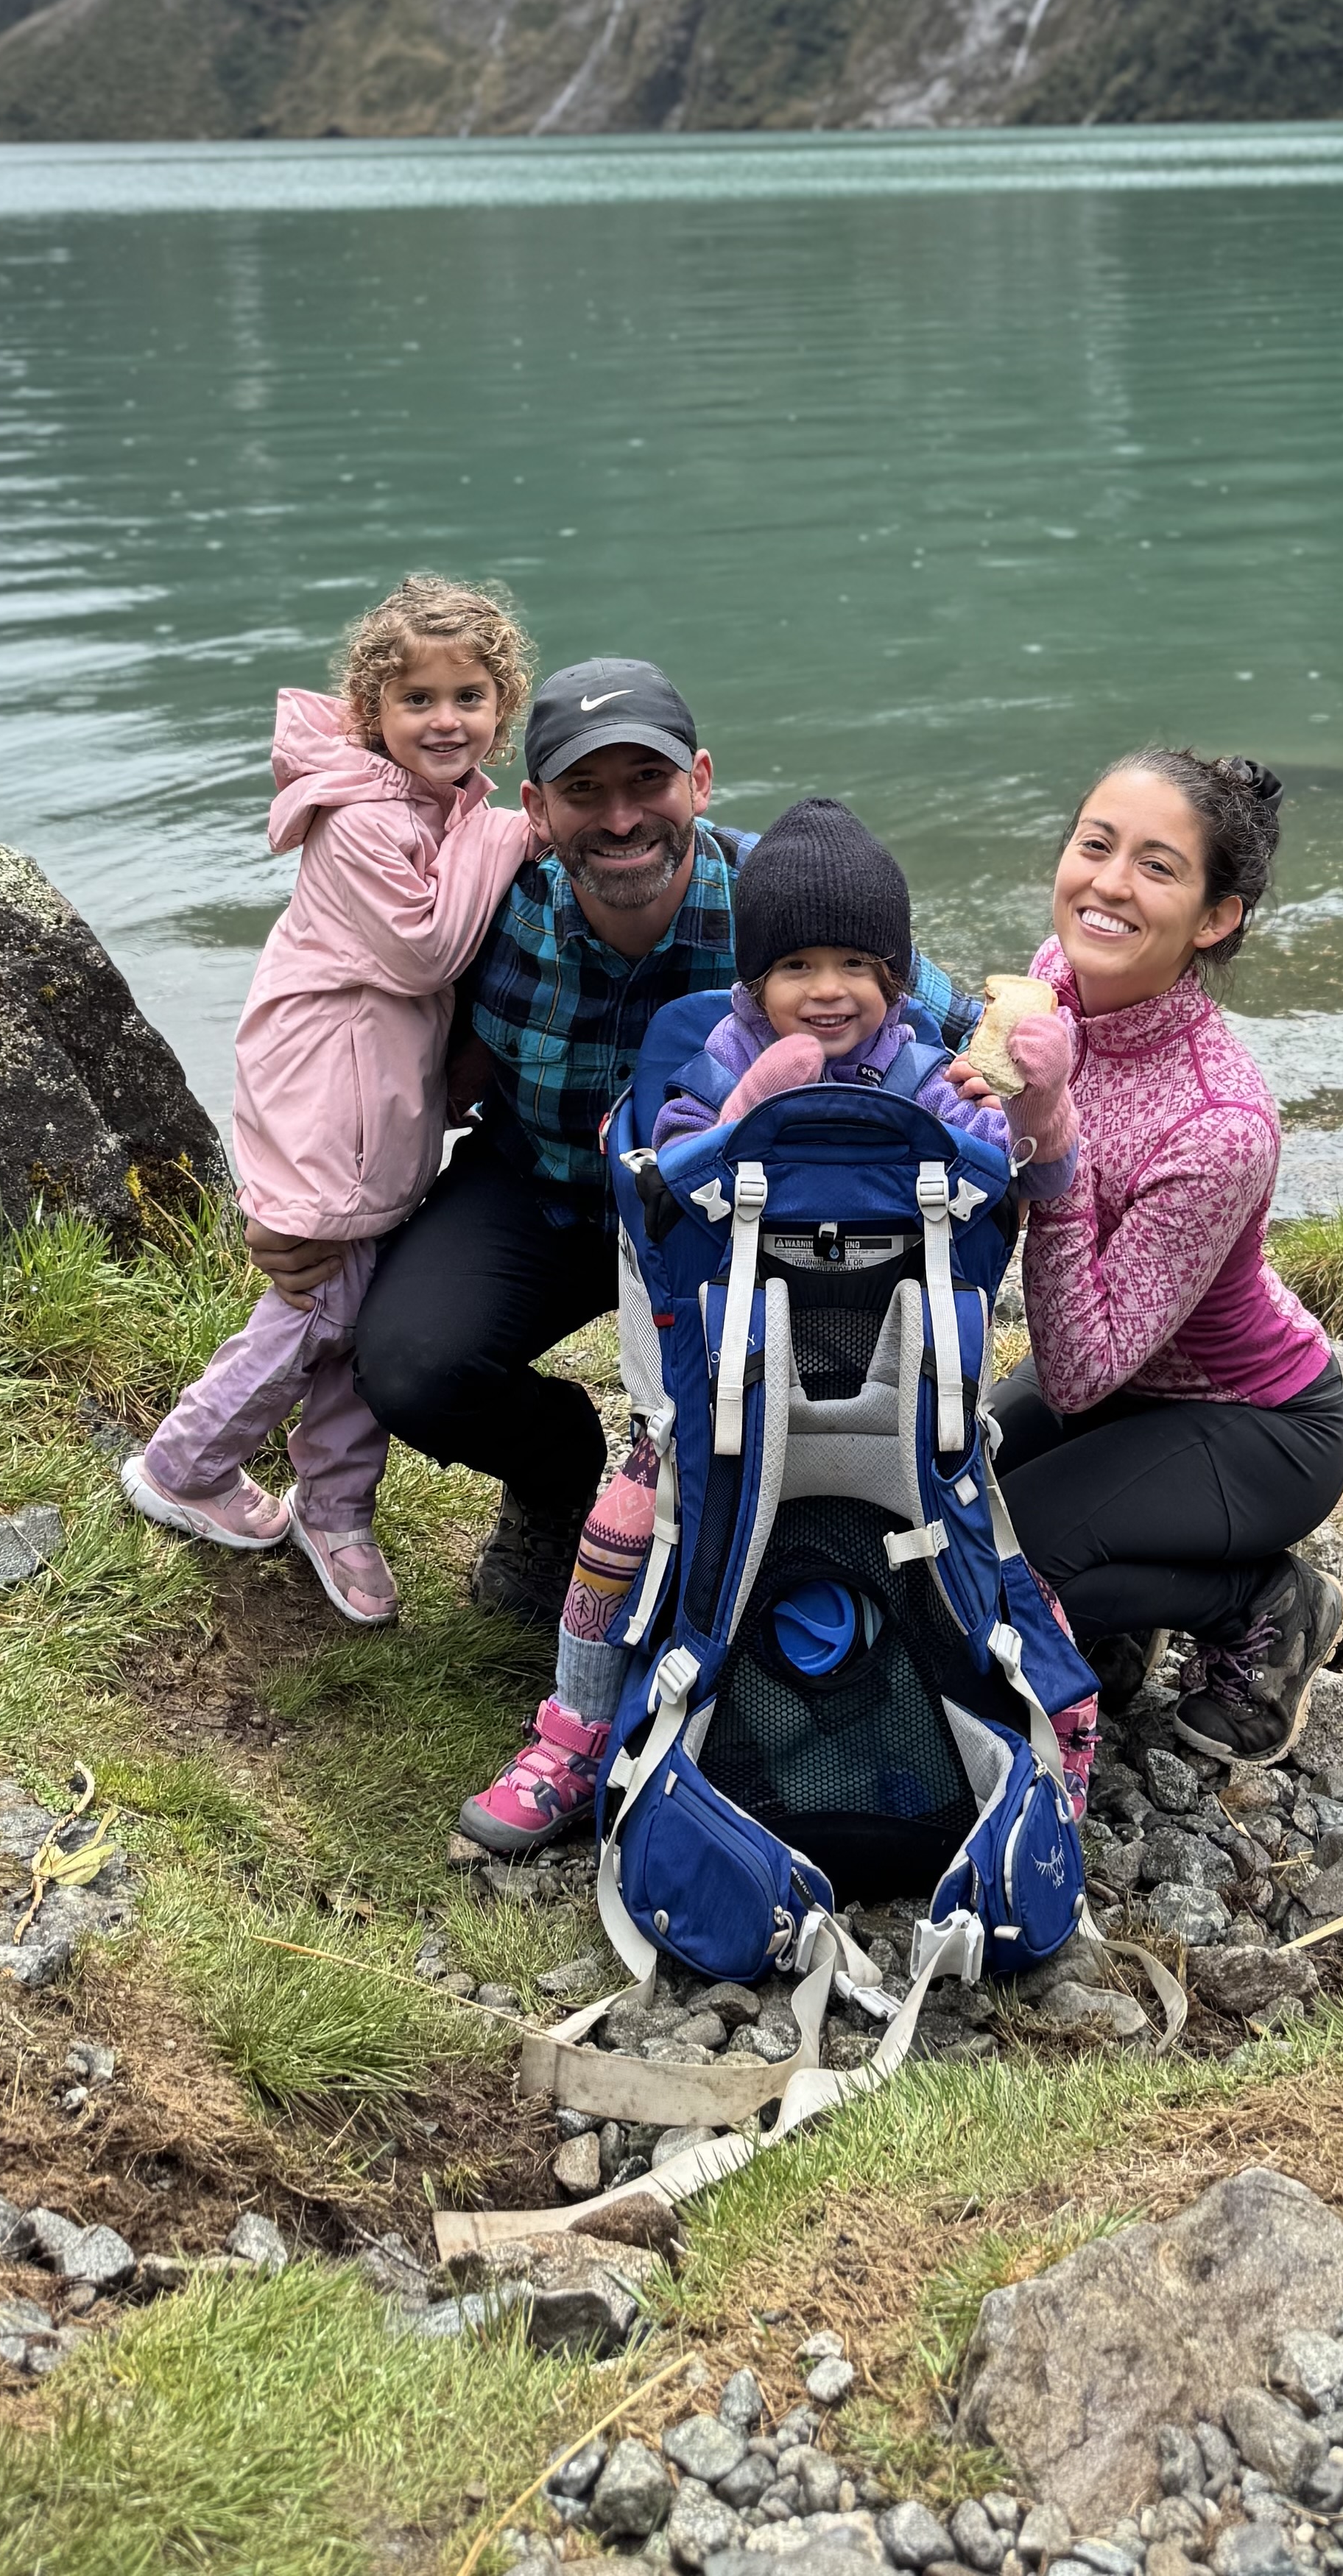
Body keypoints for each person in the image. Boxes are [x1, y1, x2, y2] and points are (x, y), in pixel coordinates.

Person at [454, 796, 1072, 1858]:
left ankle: (1045, 1726)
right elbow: (658, 1186)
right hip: (722, 1383)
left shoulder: (925, 1066)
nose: (825, 992)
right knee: (618, 1531)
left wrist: (1041, 1108)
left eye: (853, 966)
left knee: (995, 1541)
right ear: (754, 979)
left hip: (899, 1392)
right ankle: (579, 1729)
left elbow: (1027, 1183)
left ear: (893, 975)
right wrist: (749, 1108)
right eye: (796, 968)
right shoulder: (714, 1051)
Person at [352, 661, 981, 1631]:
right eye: (584, 792)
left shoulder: (783, 904)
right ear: (535, 806)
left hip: (734, 1225)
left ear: (700, 780)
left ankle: (806, 1545)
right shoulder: (486, 906)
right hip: (544, 1188)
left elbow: (955, 1025)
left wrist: (1048, 1102)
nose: (618, 820)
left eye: (647, 783)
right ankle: (559, 1476)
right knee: (406, 1366)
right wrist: (302, 1204)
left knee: (796, 1416)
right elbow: (350, 1030)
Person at [117, 575, 538, 1626]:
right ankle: (184, 1464)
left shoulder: (437, 805)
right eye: (419, 700)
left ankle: (336, 1504)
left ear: (504, 704)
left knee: (369, 1295)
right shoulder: (357, 819)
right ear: (371, 713)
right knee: (319, 1300)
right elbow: (426, 948)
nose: (447, 720)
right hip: (324, 1095)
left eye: (470, 697)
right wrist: (513, 834)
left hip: (379, 1103)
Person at [961, 747, 1343, 1768]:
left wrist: (1051, 1139)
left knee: (1016, 1558)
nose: (1107, 884)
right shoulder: (1057, 982)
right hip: (1128, 1390)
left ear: (1214, 917)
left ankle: (1266, 1603)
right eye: (1096, 845)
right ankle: (1117, 1619)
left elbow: (1082, 1367)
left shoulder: (1221, 1121)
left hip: (1258, 1425)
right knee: (950, 1495)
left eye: (1156, 866)